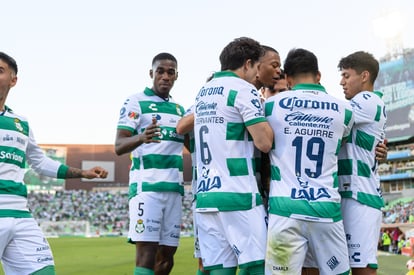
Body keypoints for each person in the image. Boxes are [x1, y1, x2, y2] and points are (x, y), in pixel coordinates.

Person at [0, 52, 108, 275]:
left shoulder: (21, 123)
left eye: (0, 71)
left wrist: (83, 173)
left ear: (13, 80)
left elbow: (39, 162)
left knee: (43, 271)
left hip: (19, 212)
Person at [264, 48, 353, 275]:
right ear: (319, 75)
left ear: (289, 79)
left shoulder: (270, 107)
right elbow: (340, 143)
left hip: (285, 211)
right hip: (326, 210)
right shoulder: (345, 110)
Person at [193, 37, 273, 275]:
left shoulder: (202, 92)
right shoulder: (242, 89)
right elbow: (265, 142)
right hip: (238, 194)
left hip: (207, 197)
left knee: (220, 270)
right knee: (256, 266)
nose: (257, 75)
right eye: (257, 68)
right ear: (247, 64)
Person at [114, 52, 185, 275]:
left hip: (174, 190)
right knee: (147, 255)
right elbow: (119, 145)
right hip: (148, 189)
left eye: (170, 72)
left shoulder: (179, 110)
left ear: (176, 76)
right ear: (151, 73)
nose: (165, 76)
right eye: (160, 71)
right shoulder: (136, 101)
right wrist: (141, 137)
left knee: (167, 258)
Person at [338, 51, 387, 275]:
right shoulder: (366, 103)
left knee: (361, 268)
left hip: (360, 198)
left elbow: (332, 118)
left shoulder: (367, 100)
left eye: (347, 76)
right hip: (349, 193)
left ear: (364, 76)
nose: (342, 81)